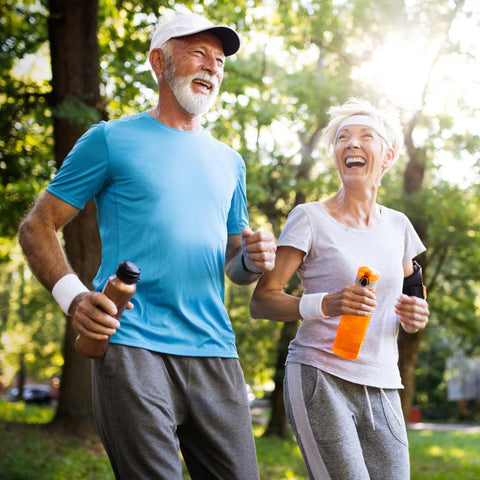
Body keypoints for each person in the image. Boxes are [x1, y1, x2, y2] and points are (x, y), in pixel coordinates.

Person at [18, 10, 276, 480]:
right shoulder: (110, 140)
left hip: (214, 349)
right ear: (160, 61)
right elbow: (37, 226)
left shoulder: (230, 162)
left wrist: (252, 262)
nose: (212, 67)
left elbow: (234, 265)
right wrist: (73, 297)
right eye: (198, 52)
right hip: (134, 344)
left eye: (219, 61)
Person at [250, 98, 429, 480]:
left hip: (383, 383)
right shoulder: (309, 218)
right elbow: (262, 301)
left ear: (388, 156)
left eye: (366, 136)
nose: (351, 144)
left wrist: (416, 316)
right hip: (321, 375)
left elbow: (414, 292)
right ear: (336, 156)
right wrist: (325, 304)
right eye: (342, 138)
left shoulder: (399, 227)